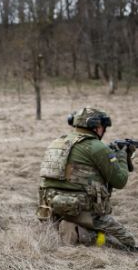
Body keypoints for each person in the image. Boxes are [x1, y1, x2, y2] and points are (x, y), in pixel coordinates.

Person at [37, 107, 136, 251]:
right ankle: (80, 233)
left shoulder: (57, 142)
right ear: (96, 127)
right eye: (103, 127)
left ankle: (64, 227)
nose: (104, 131)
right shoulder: (97, 147)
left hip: (51, 208)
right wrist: (121, 156)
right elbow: (120, 181)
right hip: (84, 211)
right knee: (128, 242)